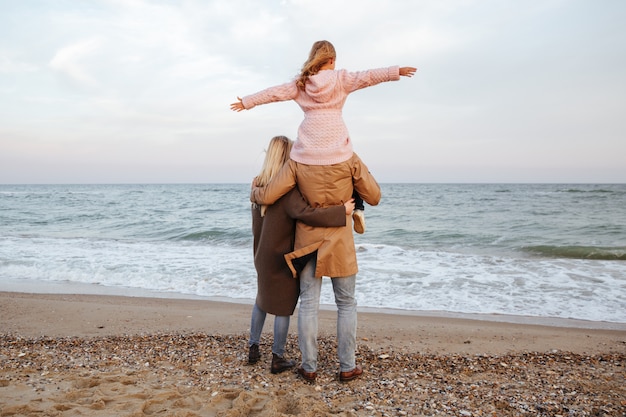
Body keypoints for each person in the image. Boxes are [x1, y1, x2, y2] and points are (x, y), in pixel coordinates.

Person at [231, 40, 416, 234]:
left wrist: (247, 102)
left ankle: (262, 195)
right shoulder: (340, 79)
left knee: (277, 188)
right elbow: (368, 77)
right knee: (355, 169)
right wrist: (396, 72)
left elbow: (274, 93)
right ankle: (359, 207)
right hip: (338, 150)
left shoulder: (301, 82)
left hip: (306, 152)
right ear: (331, 59)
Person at [250, 150, 381, 383]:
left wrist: (254, 191)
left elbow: (269, 195)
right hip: (340, 241)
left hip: (307, 243)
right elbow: (374, 195)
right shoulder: (348, 157)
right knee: (346, 304)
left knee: (309, 305)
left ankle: (309, 367)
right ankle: (347, 367)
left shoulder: (298, 161)